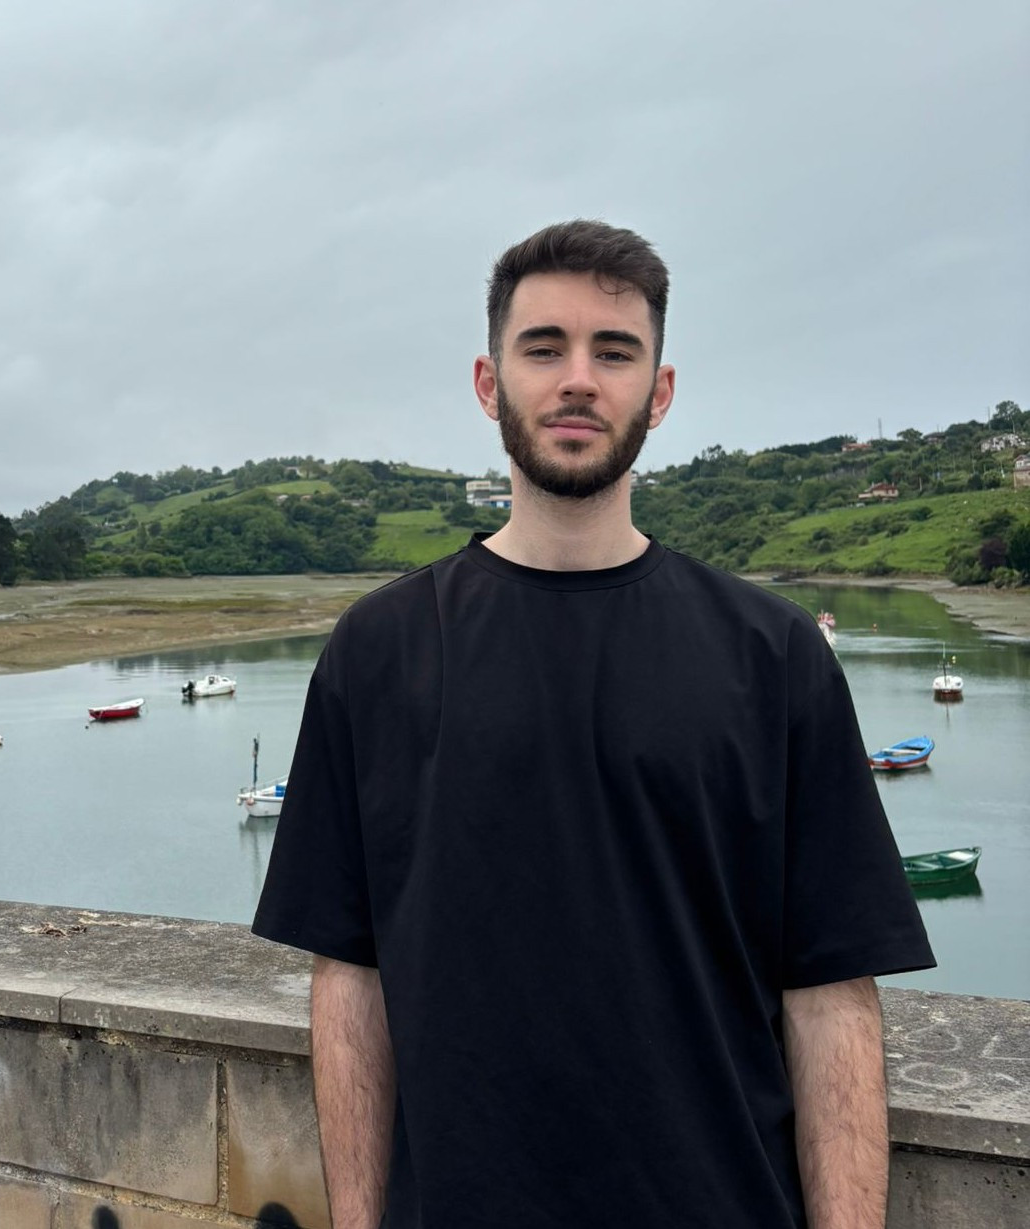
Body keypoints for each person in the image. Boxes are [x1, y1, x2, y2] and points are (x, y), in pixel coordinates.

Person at [252, 220, 934, 1228]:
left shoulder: (774, 653)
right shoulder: (377, 651)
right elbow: (348, 981)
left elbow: (830, 992)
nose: (577, 379)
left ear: (658, 390)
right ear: (488, 381)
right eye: (544, 347)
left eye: (613, 351)